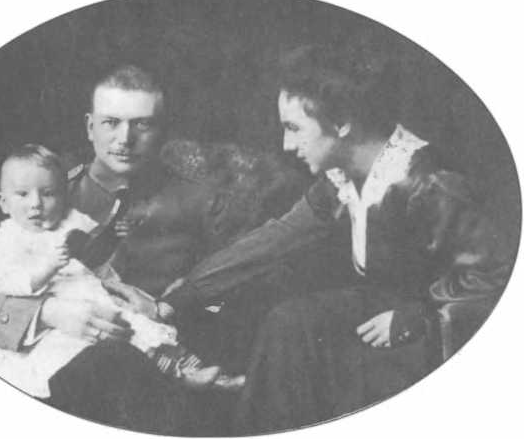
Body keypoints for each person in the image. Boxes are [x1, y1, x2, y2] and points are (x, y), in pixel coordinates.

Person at [123, 43, 513, 433]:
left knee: (306, 345)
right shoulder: (340, 180)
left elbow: (496, 275)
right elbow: (276, 238)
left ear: (341, 122)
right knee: (287, 322)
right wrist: (178, 299)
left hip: (442, 333)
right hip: (382, 311)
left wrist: (419, 317)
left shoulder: (428, 183)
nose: (286, 145)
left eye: (294, 128)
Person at [0, 65, 246, 434]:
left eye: (142, 124)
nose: (125, 138)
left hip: (153, 362)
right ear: (90, 127)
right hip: (66, 363)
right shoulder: (50, 197)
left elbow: (234, 281)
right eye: (111, 122)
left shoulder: (201, 200)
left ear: (163, 130)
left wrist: (172, 305)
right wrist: (47, 313)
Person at [0, 144, 240, 399]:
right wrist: (47, 268)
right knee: (121, 340)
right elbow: (3, 280)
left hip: (94, 294)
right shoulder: (10, 237)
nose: (36, 204)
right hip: (58, 317)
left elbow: (94, 255)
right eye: (22, 194)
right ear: (3, 202)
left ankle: (199, 372)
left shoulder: (66, 223)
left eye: (48, 194)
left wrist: (116, 236)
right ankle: (180, 376)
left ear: (61, 196)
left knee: (140, 326)